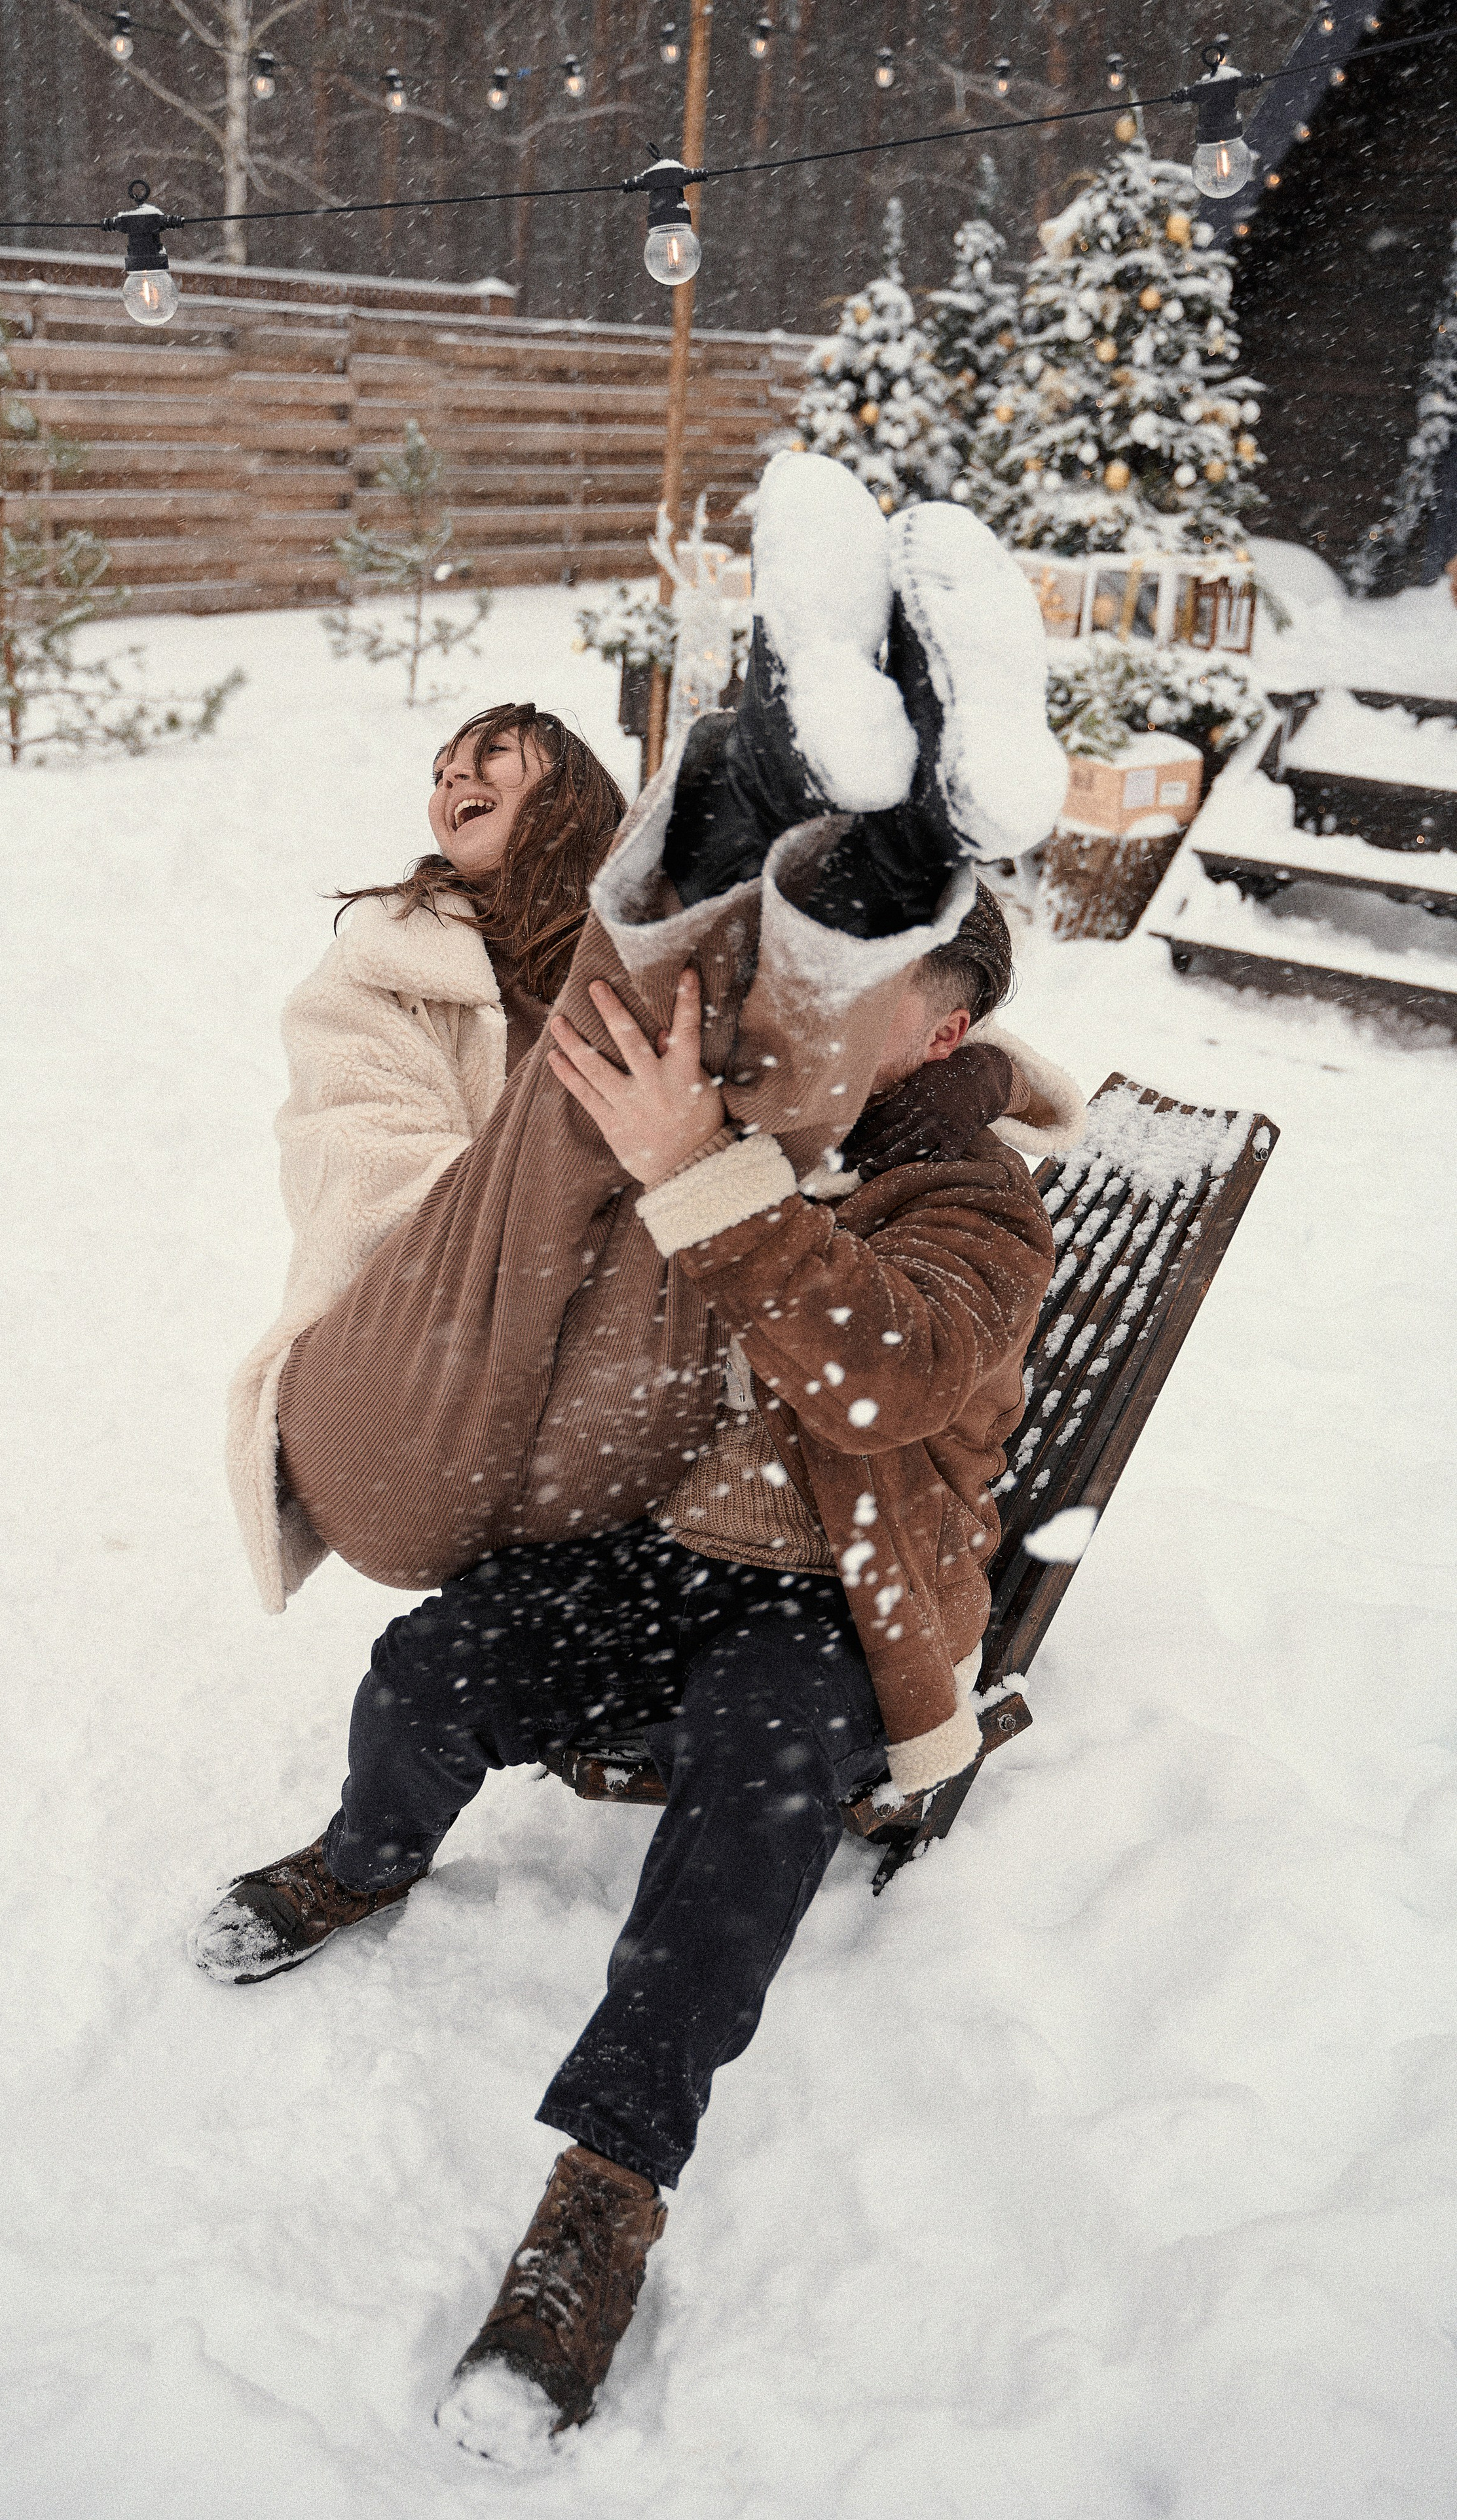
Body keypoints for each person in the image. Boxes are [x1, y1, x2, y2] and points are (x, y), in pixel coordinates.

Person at [200, 454, 1086, 2464]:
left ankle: (605, 2192)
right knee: (434, 1666)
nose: (824, 1015)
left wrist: (710, 1186)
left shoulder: (973, 1207)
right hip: (653, 1556)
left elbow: (877, 1387)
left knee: (757, 1804)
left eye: (881, 984)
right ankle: (800, 727)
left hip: (812, 1619)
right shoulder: (754, 1103)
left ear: (944, 1037)